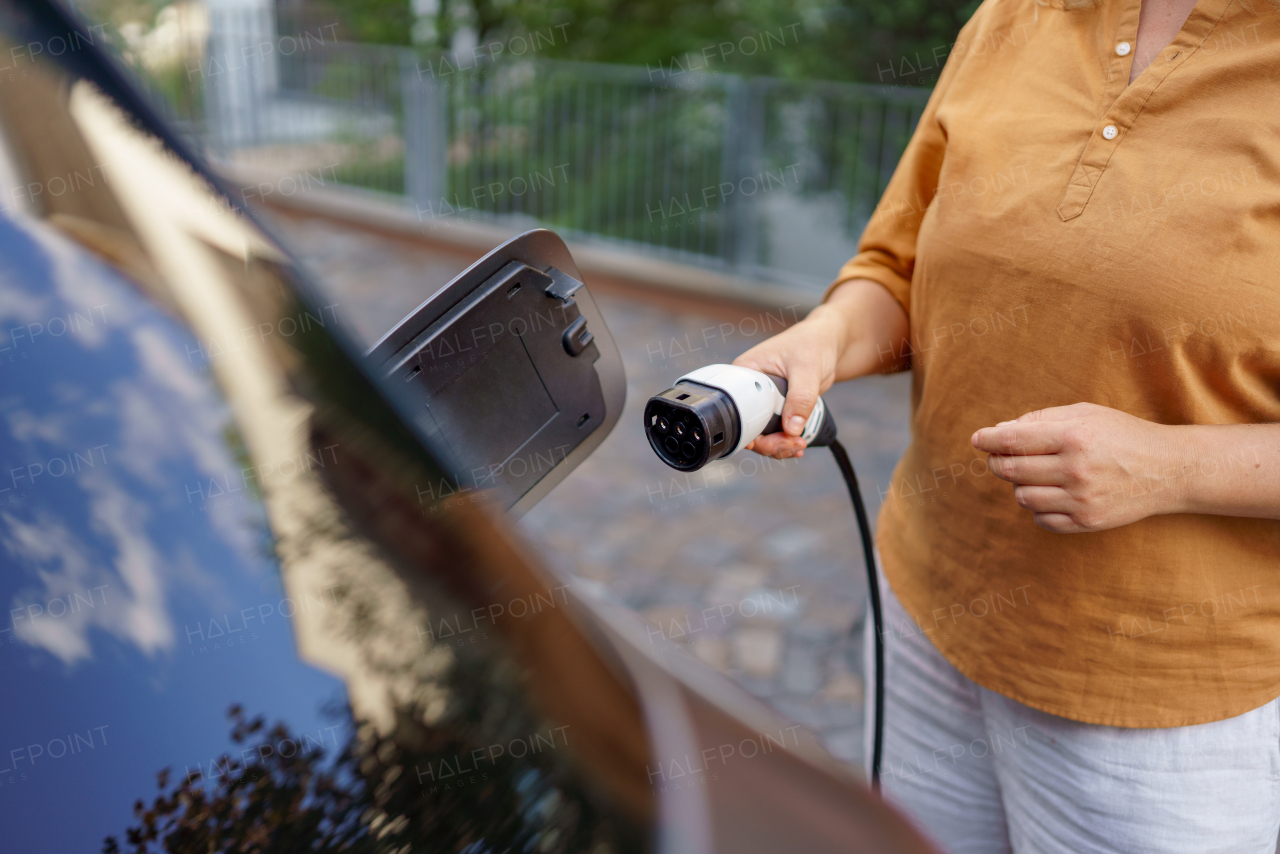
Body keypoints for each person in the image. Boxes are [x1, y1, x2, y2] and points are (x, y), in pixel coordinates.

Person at [734, 0, 1280, 850]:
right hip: (924, 615)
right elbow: (893, 266)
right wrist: (828, 336)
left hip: (1154, 708)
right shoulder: (1014, 16)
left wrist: (1174, 467)